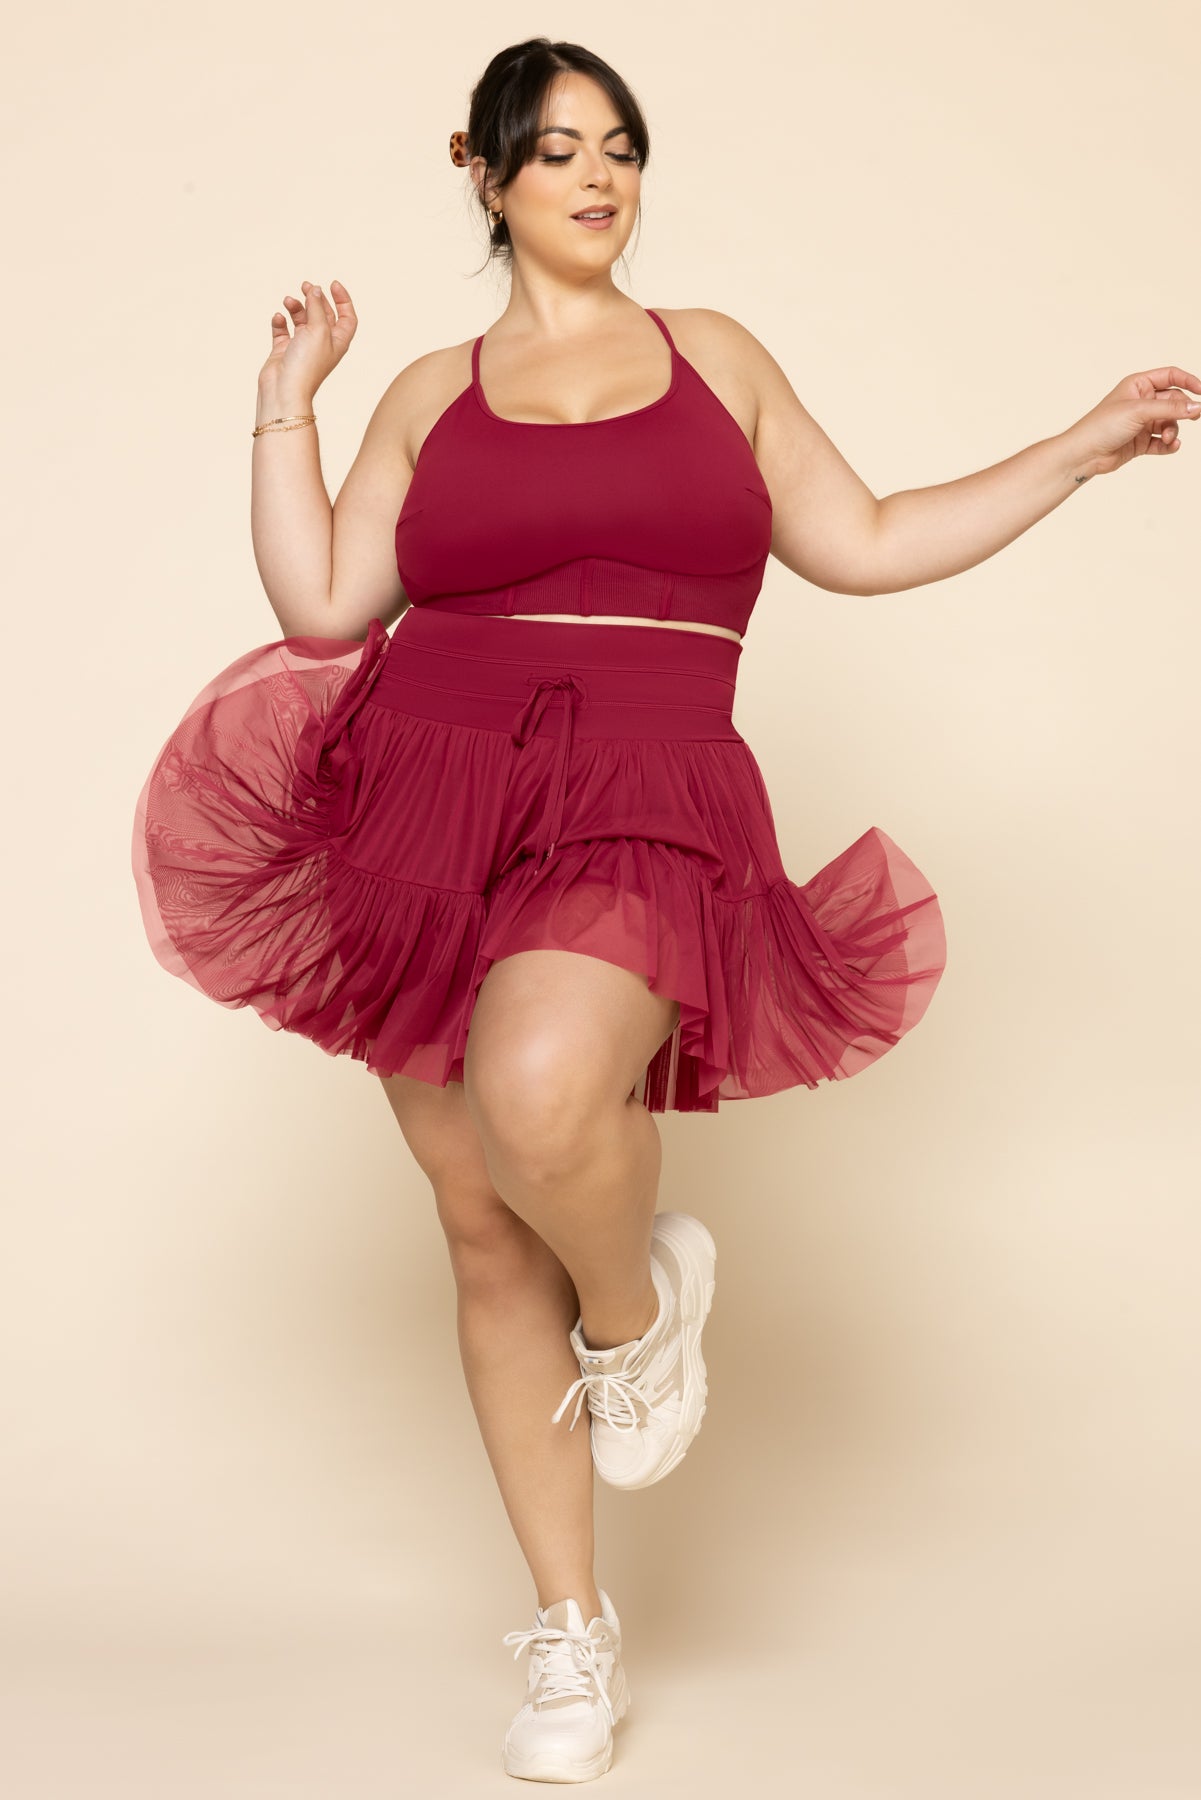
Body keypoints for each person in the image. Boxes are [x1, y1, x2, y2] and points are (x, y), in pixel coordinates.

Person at [130, 35, 1199, 1789]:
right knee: (483, 1229)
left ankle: (635, 1311)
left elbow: (863, 539)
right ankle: (570, 1636)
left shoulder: (716, 357)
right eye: (556, 151)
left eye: (619, 147)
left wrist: (1074, 450)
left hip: (646, 788)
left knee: (543, 1091)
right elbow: (324, 607)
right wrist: (287, 399)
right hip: (430, 797)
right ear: (482, 176)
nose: (597, 177)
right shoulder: (428, 391)